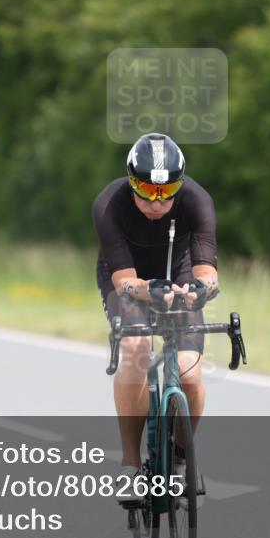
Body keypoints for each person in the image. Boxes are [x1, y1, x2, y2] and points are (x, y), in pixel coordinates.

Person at [92, 133, 220, 501]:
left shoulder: (197, 200)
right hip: (127, 279)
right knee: (136, 347)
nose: (158, 202)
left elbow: (208, 272)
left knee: (191, 376)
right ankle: (131, 464)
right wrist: (153, 291)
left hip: (178, 275)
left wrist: (197, 290)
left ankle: (180, 459)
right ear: (133, 182)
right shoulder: (109, 204)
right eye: (148, 191)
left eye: (168, 192)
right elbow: (124, 282)